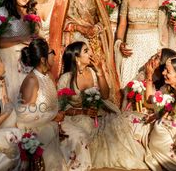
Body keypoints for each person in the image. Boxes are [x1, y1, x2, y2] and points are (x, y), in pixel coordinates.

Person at [58, 41, 148, 170]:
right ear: (76, 58)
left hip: (98, 112)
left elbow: (105, 95)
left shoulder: (93, 72)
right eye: (86, 51)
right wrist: (83, 112)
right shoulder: (66, 78)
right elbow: (60, 105)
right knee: (85, 131)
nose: (91, 53)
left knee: (118, 123)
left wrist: (100, 73)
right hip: (76, 116)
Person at [49, 0, 120, 105]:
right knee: (73, 70)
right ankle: (73, 102)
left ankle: (97, 102)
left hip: (93, 40)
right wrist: (78, 28)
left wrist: (96, 28)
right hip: (73, 40)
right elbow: (59, 22)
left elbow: (103, 20)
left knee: (96, 68)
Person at [115, 0, 169, 89]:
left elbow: (164, 27)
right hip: (131, 48)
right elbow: (122, 25)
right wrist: (120, 42)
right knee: (129, 87)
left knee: (150, 84)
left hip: (152, 47)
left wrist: (162, 51)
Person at [16, 38, 68, 171]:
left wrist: (56, 118)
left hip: (50, 124)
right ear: (43, 59)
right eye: (52, 52)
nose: (55, 57)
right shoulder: (32, 80)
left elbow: (52, 104)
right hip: (34, 129)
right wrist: (52, 116)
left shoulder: (49, 76)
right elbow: (24, 116)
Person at [0, 0, 37, 103]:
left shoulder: (31, 12)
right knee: (12, 95)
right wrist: (20, 39)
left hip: (27, 58)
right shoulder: (2, 12)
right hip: (9, 59)